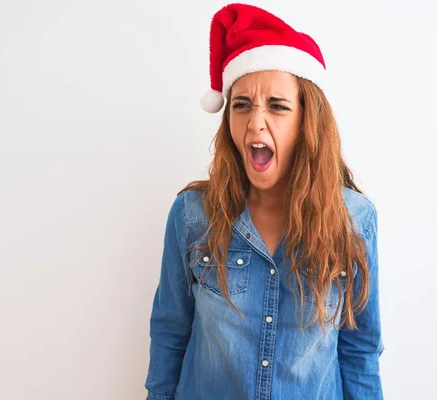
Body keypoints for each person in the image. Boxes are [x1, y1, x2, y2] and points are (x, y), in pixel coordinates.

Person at [145, 3, 384, 399]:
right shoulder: (192, 216)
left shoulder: (354, 220)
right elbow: (170, 334)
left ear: (307, 120)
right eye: (242, 105)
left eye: (277, 106)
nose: (256, 122)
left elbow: (359, 353)